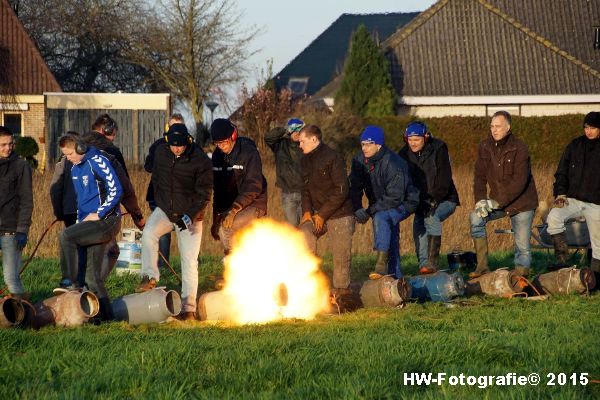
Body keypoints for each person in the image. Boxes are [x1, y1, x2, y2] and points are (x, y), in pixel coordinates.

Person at [137, 124, 213, 321]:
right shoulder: (160, 150)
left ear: (188, 141)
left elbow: (204, 194)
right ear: (167, 141)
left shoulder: (200, 160)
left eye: (180, 146)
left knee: (189, 261)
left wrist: (190, 215)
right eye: (173, 145)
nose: (176, 149)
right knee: (148, 234)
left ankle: (188, 308)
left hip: (191, 217)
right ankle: (149, 276)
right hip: (165, 210)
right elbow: (149, 166)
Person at [58, 134, 123, 321]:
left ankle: (69, 281)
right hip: (90, 223)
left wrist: (100, 212)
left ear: (79, 148)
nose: (67, 158)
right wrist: (80, 223)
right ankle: (108, 318)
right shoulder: (74, 168)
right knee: (92, 278)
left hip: (106, 222)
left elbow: (116, 189)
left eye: (69, 154)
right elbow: (82, 203)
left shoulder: (98, 161)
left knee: (66, 236)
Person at [470, 111, 538, 278]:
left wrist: (496, 202)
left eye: (498, 126)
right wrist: (480, 201)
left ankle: (521, 278)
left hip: (522, 202)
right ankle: (482, 268)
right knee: (475, 218)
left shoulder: (520, 147)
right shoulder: (484, 146)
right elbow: (479, 176)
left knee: (522, 245)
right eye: (492, 126)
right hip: (497, 201)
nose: (494, 130)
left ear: (508, 127)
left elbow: (519, 182)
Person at [349, 126, 419, 280]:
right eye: (362, 144)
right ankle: (395, 281)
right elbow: (354, 187)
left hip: (405, 202)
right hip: (380, 204)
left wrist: (369, 211)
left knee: (382, 218)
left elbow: (394, 196)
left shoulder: (394, 163)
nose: (364, 148)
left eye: (368, 144)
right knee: (388, 233)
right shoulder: (359, 160)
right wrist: (358, 209)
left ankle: (381, 266)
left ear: (378, 145)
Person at [298, 125, 355, 297]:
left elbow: (341, 190)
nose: (299, 145)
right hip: (316, 213)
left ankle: (342, 294)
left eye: (302, 141)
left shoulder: (333, 157)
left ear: (314, 139)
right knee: (303, 234)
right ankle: (311, 283)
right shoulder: (303, 160)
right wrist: (307, 211)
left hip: (340, 214)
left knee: (340, 255)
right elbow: (305, 189)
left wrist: (322, 214)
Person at [399, 121, 459, 274]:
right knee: (418, 228)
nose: (413, 143)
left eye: (417, 140)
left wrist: (434, 199)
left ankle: (433, 262)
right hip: (420, 202)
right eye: (410, 140)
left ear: (425, 137)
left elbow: (444, 178)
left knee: (431, 218)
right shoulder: (403, 154)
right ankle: (424, 266)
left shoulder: (439, 148)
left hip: (445, 198)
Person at [546, 111, 600, 280]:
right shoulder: (574, 145)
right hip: (573, 199)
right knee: (553, 217)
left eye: (592, 127)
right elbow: (561, 172)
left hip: (597, 203)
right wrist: (560, 193)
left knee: (598, 242)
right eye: (586, 127)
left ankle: (596, 277)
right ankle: (563, 261)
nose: (588, 131)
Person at [210, 118, 267, 254]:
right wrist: (215, 218)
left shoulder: (249, 152)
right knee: (221, 228)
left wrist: (234, 210)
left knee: (227, 226)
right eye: (218, 143)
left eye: (224, 142)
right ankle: (235, 261)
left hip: (254, 204)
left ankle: (233, 262)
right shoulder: (217, 156)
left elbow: (254, 186)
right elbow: (218, 189)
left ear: (233, 136)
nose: (221, 146)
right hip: (232, 206)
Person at [144, 113, 186, 270]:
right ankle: (163, 265)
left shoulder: (190, 146)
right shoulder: (158, 146)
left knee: (186, 229)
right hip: (159, 195)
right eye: (173, 126)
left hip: (181, 197)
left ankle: (187, 263)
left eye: (179, 126)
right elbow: (147, 166)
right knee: (162, 231)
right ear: (167, 127)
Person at [0, 126, 33, 300]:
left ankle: (23, 316)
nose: (8, 148)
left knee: (11, 278)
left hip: (11, 230)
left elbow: (27, 201)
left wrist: (22, 229)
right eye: (3, 144)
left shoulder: (21, 166)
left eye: (10, 144)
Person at [264, 118, 305, 226]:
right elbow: (268, 138)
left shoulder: (307, 146)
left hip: (306, 194)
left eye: (299, 130)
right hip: (288, 194)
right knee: (292, 229)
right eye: (294, 130)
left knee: (307, 228)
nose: (297, 133)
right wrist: (284, 129)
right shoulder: (280, 145)